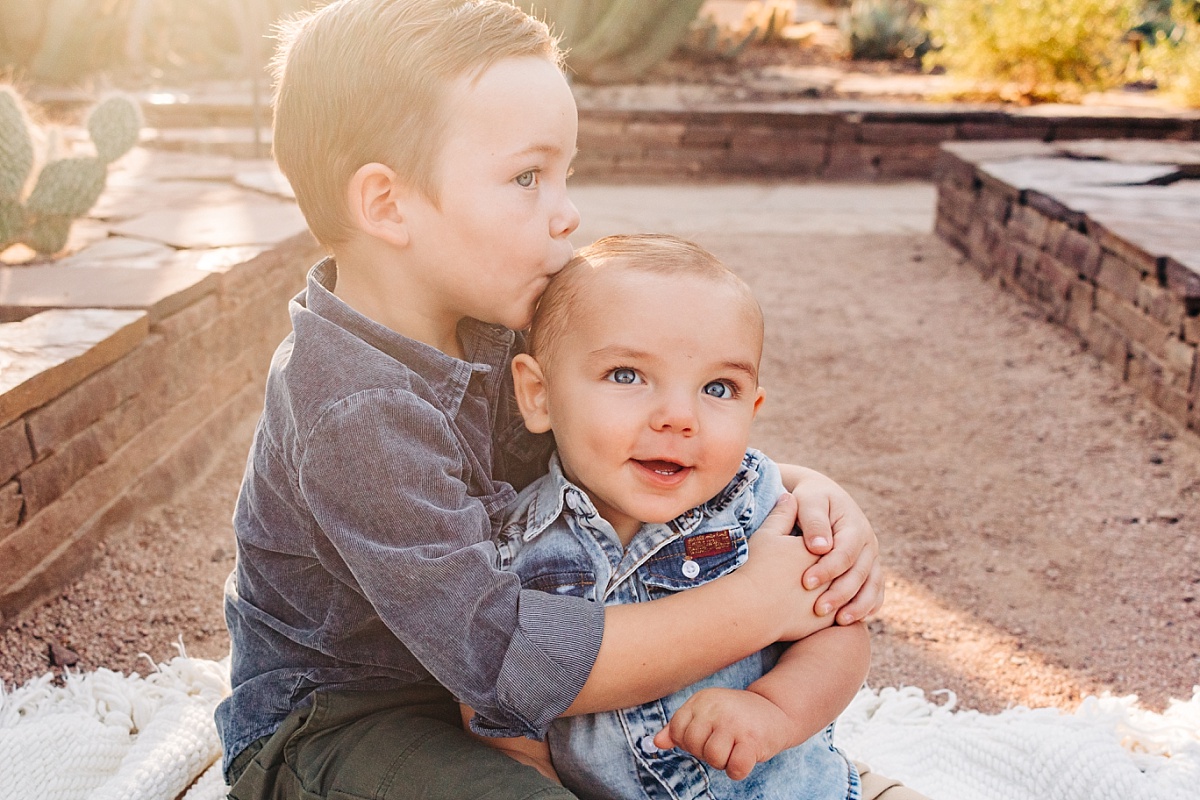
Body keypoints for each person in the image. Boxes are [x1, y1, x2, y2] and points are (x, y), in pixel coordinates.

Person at [216, 2, 885, 798]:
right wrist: (762, 601)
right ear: (387, 205)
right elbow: (503, 658)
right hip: (343, 722)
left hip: (502, 713)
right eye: (528, 178)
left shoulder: (497, 327)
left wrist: (803, 493)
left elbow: (616, 439)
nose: (566, 212)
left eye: (564, 174)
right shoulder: (352, 408)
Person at [471, 234, 923, 800]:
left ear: (753, 408)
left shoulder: (761, 509)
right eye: (627, 375)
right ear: (538, 394)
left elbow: (840, 635)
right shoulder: (508, 553)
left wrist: (772, 709)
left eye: (718, 388)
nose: (679, 417)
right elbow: (504, 732)